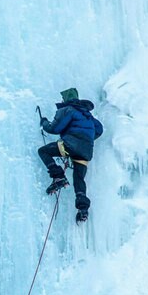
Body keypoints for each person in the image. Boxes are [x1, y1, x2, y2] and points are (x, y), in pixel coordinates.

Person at [37, 87, 103, 223]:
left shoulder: (67, 110)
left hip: (70, 145)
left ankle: (58, 177)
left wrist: (44, 123)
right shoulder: (89, 116)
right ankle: (83, 209)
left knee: (43, 151)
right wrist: (86, 138)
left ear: (66, 99)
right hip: (86, 152)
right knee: (79, 178)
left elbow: (54, 128)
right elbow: (99, 130)